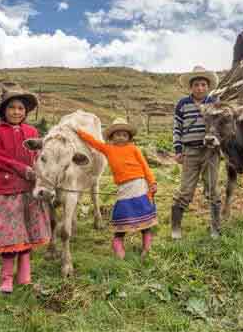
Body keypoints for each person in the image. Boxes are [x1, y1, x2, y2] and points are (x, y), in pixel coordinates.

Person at [0, 85, 51, 294]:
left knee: (27, 232)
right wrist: (23, 169)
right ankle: (6, 278)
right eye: (12, 108)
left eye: (21, 108)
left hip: (29, 189)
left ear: (26, 111)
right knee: (10, 235)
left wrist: (41, 172)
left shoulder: (31, 132)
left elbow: (39, 156)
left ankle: (25, 276)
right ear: (4, 110)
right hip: (7, 189)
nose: (16, 112)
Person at [76, 118, 157, 260]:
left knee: (144, 217)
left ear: (129, 137)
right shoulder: (108, 149)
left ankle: (147, 246)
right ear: (112, 137)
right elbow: (94, 143)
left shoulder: (133, 149)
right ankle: (118, 242)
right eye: (117, 134)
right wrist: (79, 131)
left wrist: (152, 182)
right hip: (124, 188)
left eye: (124, 135)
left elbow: (145, 166)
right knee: (122, 216)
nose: (121, 137)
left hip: (139, 184)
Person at [171, 65, 223, 240]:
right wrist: (178, 149)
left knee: (213, 189)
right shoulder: (182, 104)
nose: (200, 88)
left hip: (211, 152)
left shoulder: (214, 102)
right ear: (190, 87)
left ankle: (215, 227)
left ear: (208, 86)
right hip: (190, 151)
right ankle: (176, 228)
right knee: (185, 190)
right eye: (196, 85)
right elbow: (177, 128)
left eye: (203, 84)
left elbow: (222, 125)